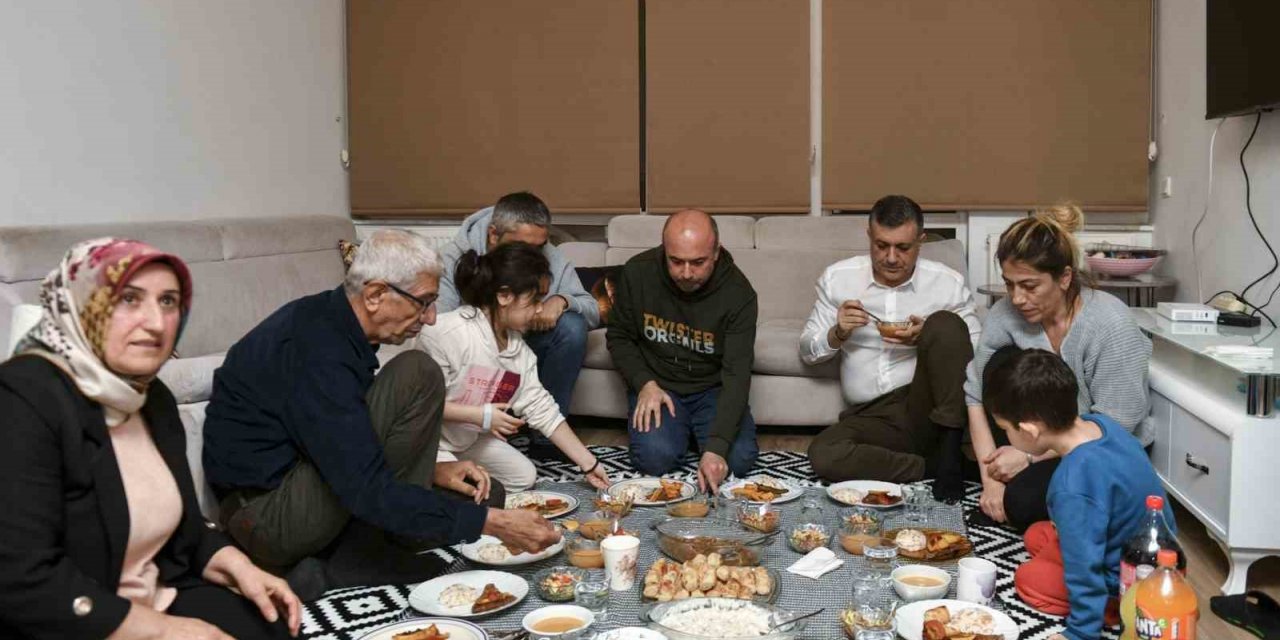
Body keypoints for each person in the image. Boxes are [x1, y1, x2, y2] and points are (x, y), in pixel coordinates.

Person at [203, 230, 559, 602]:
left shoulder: (337, 326)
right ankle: (346, 559)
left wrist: (435, 470)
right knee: (418, 373)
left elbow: (345, 440)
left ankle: (352, 551)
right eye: (424, 303)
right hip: (268, 516)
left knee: (486, 492)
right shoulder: (317, 349)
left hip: (309, 480)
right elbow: (362, 483)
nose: (432, 318)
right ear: (374, 295)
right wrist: (495, 525)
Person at [0, 238, 301, 639]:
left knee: (276, 625)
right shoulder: (24, 397)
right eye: (129, 299)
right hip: (69, 620)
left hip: (154, 597)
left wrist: (242, 568)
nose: (156, 323)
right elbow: (23, 580)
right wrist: (165, 631)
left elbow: (187, 533)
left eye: (168, 302)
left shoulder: (151, 397)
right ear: (81, 305)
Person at [964, 204, 1152, 531]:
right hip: (1030, 436)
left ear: (1064, 278)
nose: (1017, 298)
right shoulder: (1004, 315)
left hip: (1093, 447)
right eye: (1010, 284)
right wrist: (989, 479)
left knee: (1022, 503)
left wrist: (1028, 460)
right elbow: (976, 395)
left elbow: (1112, 425)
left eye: (1030, 286)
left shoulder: (1110, 324)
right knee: (999, 362)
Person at [983, 348, 1173, 640]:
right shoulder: (1102, 426)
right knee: (1037, 534)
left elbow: (1084, 570)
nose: (1006, 436)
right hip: (1151, 551)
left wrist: (1080, 633)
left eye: (1005, 429)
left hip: (1130, 576)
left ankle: (1112, 607)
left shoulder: (1071, 485)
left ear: (1029, 430)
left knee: (1029, 578)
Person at [801, 195, 981, 499]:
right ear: (869, 236)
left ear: (920, 242)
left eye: (903, 247)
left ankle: (949, 450)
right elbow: (807, 350)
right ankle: (934, 467)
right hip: (870, 415)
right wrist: (838, 332)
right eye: (882, 245)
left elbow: (975, 351)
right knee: (824, 454)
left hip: (924, 407)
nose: (892, 258)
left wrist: (927, 337)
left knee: (946, 324)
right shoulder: (838, 279)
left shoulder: (946, 283)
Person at [418, 242, 612, 492]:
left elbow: (542, 409)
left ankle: (459, 475)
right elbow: (419, 405)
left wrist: (589, 463)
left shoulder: (519, 352)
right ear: (504, 296)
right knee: (481, 493)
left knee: (523, 476)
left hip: (466, 442)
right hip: (426, 443)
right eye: (534, 300)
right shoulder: (445, 333)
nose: (541, 308)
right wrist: (481, 416)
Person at [606, 209, 759, 491]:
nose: (686, 274)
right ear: (664, 250)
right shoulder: (637, 272)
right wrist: (644, 384)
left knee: (737, 460)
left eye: (698, 263)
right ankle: (683, 432)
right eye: (675, 261)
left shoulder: (739, 293)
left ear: (715, 253)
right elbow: (619, 336)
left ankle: (696, 433)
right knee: (653, 459)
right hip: (659, 386)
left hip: (712, 389)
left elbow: (737, 374)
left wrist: (717, 447)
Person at [438, 192, 599, 459]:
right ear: (493, 235)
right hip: (472, 350)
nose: (532, 256)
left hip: (522, 340)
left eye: (540, 246)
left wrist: (561, 300)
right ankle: (475, 429)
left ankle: (544, 438)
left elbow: (593, 310)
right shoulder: (454, 258)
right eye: (523, 246)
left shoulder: (550, 256)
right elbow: (441, 326)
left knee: (571, 326)